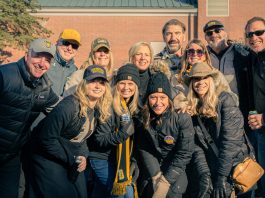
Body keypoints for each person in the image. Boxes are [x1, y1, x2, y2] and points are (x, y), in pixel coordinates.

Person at [27, 65, 113, 197]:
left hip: (69, 157)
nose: (97, 86)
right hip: (45, 156)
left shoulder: (96, 109)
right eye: (93, 81)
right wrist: (72, 158)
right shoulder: (69, 106)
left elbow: (83, 139)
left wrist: (83, 156)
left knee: (81, 194)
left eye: (101, 82)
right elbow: (46, 139)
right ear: (84, 84)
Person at [0, 38, 58, 198]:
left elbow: (61, 110)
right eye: (38, 56)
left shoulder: (45, 87)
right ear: (27, 55)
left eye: (47, 60)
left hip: (11, 155)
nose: (42, 63)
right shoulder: (4, 75)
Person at [184, 62, 250, 198]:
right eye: (196, 79)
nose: (200, 82)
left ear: (211, 80)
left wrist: (221, 177)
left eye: (204, 78)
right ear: (191, 83)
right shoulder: (193, 108)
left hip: (232, 167)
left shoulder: (226, 100)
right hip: (212, 166)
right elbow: (197, 147)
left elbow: (231, 144)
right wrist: (205, 174)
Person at [135, 72, 195, 198]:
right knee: (150, 190)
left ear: (169, 98)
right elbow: (144, 148)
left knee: (172, 194)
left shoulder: (182, 117)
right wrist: (156, 177)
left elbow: (185, 153)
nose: (158, 102)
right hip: (153, 167)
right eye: (153, 97)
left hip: (175, 167)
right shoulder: (142, 118)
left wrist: (165, 181)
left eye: (162, 97)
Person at [87, 63, 140, 198]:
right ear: (116, 84)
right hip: (101, 158)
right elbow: (100, 139)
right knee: (124, 194)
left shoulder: (130, 106)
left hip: (117, 159)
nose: (126, 87)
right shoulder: (108, 105)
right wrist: (123, 134)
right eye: (122, 83)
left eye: (131, 83)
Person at [203, 20, 252, 124]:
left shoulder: (241, 53)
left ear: (225, 33)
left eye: (217, 31)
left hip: (239, 110)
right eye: (209, 33)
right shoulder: (202, 56)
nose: (214, 35)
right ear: (205, 38)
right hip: (213, 112)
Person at [246, 16, 265, 196]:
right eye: (250, 34)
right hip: (257, 132)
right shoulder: (253, 58)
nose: (254, 37)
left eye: (259, 32)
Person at [48, 28, 80, 97]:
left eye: (74, 46)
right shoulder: (46, 61)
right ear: (57, 42)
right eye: (66, 43)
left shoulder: (75, 70)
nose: (69, 48)